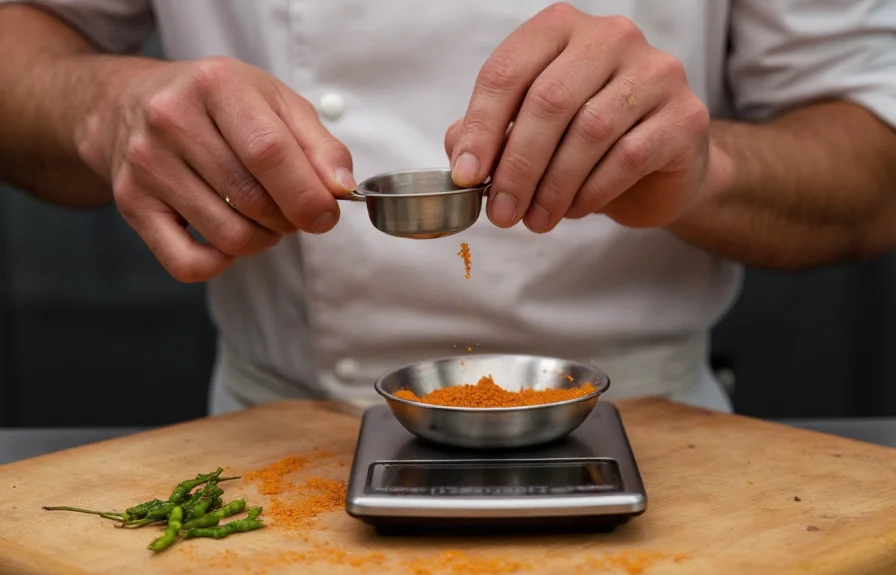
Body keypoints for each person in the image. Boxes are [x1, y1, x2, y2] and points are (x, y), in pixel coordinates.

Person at [1, 1, 894, 416]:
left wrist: (709, 170)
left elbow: (876, 159)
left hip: (656, 443)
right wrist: (103, 105)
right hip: (274, 446)